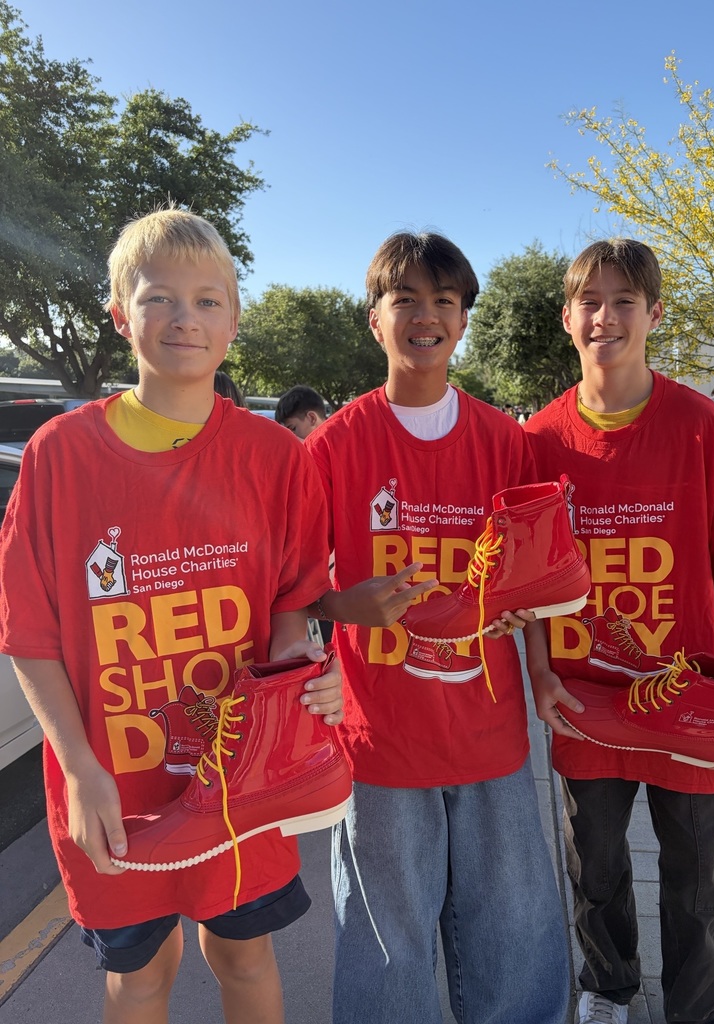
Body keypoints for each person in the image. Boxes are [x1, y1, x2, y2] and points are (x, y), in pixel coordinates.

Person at [0, 208, 343, 1024]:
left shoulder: (276, 459)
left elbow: (292, 608)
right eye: (159, 297)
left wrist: (304, 674)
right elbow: (28, 632)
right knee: (141, 976)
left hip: (238, 780)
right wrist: (78, 765)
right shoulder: (59, 455)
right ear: (121, 315)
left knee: (244, 957)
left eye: (207, 300)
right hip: (113, 787)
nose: (185, 318)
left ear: (234, 321)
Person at [303, 231, 570, 1024]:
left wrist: (537, 655)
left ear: (462, 322)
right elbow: (289, 588)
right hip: (380, 738)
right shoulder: (333, 445)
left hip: (489, 732)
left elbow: (537, 578)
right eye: (406, 300)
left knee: (513, 933)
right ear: (375, 320)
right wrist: (341, 605)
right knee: (388, 942)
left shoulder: (505, 442)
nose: (426, 316)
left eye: (444, 301)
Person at [524, 238, 714, 1024]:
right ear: (567, 318)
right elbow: (529, 586)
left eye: (624, 300)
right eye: (590, 302)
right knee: (595, 867)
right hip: (587, 699)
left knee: (697, 874)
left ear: (654, 313)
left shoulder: (700, 426)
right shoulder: (540, 440)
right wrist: (540, 672)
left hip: (688, 699)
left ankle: (701, 1009)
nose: (606, 316)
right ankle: (608, 987)